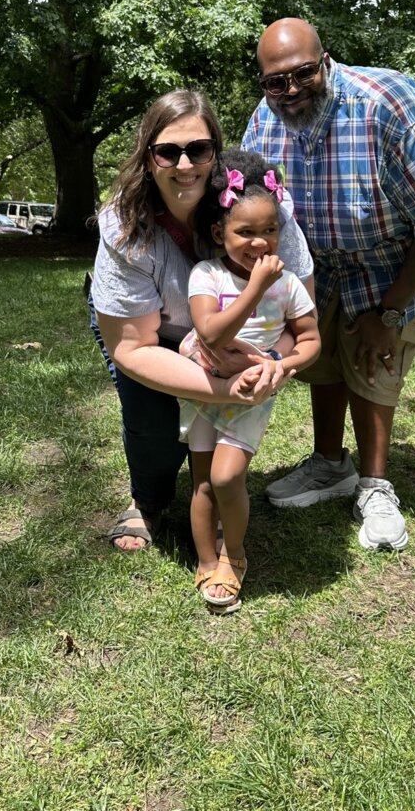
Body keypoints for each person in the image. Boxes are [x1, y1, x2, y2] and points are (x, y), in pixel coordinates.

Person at [242, 18, 415, 551]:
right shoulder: (264, 118)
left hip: (392, 258)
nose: (291, 90)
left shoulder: (386, 104)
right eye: (276, 81)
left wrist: (391, 312)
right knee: (322, 358)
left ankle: (375, 485)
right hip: (317, 261)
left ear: (325, 61)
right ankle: (330, 464)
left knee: (374, 364)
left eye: (304, 73)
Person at [90, 89, 315, 552]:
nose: (184, 164)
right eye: (167, 152)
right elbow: (132, 347)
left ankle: (212, 502)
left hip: (243, 343)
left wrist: (271, 362)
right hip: (153, 334)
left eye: (198, 149)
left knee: (213, 431)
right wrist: (224, 389)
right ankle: (147, 500)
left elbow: (301, 312)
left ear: (216, 152)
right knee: (154, 423)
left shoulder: (261, 208)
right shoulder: (124, 225)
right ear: (148, 158)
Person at [178, 149, 321, 612]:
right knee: (203, 481)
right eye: (245, 232)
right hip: (204, 389)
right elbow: (211, 332)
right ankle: (207, 558)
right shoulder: (207, 274)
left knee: (227, 476)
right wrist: (256, 288)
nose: (260, 243)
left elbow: (311, 340)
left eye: (270, 231)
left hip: (252, 392)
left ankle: (233, 553)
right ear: (219, 233)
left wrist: (283, 365)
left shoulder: (289, 284)